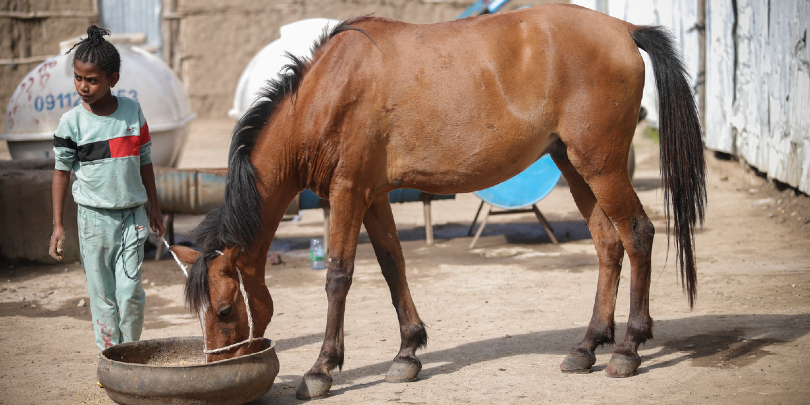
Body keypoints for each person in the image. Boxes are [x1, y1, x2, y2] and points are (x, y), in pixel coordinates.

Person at [49, 25, 165, 353]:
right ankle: (110, 358)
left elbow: (145, 162)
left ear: (113, 79)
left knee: (130, 295)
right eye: (78, 78)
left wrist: (154, 208)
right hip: (93, 222)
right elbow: (60, 174)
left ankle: (129, 353)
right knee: (103, 298)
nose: (83, 86)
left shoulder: (132, 111)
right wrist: (58, 225)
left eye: (92, 79)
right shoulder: (71, 123)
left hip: (132, 217)